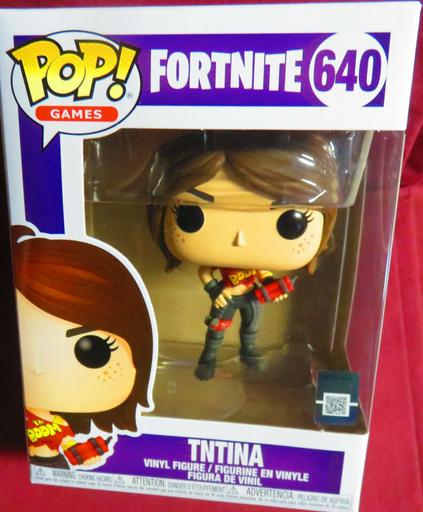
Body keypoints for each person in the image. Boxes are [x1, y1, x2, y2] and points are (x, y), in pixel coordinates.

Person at [147, 131, 338, 380]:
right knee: (216, 331)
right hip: (226, 297)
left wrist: (271, 286)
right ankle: (208, 359)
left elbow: (262, 273)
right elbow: (205, 271)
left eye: (290, 222)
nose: (240, 240)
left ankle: (250, 356)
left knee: (251, 330)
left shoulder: (255, 266)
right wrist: (216, 292)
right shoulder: (221, 266)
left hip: (252, 296)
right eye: (191, 217)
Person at [12, 225, 155, 468]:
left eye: (92, 351)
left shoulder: (58, 424)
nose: (36, 366)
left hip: (54, 465)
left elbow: (68, 443)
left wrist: (86, 455)